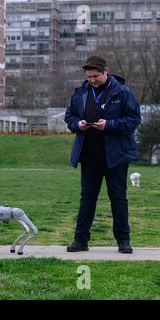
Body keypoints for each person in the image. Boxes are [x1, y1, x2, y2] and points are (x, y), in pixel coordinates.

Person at [64, 56, 141, 254]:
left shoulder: (122, 92)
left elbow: (134, 119)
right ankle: (80, 240)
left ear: (106, 71)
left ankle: (123, 241)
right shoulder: (80, 93)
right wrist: (77, 124)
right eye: (89, 76)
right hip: (89, 157)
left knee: (118, 198)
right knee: (87, 198)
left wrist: (109, 125)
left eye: (96, 76)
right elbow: (69, 116)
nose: (92, 80)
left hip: (116, 156)